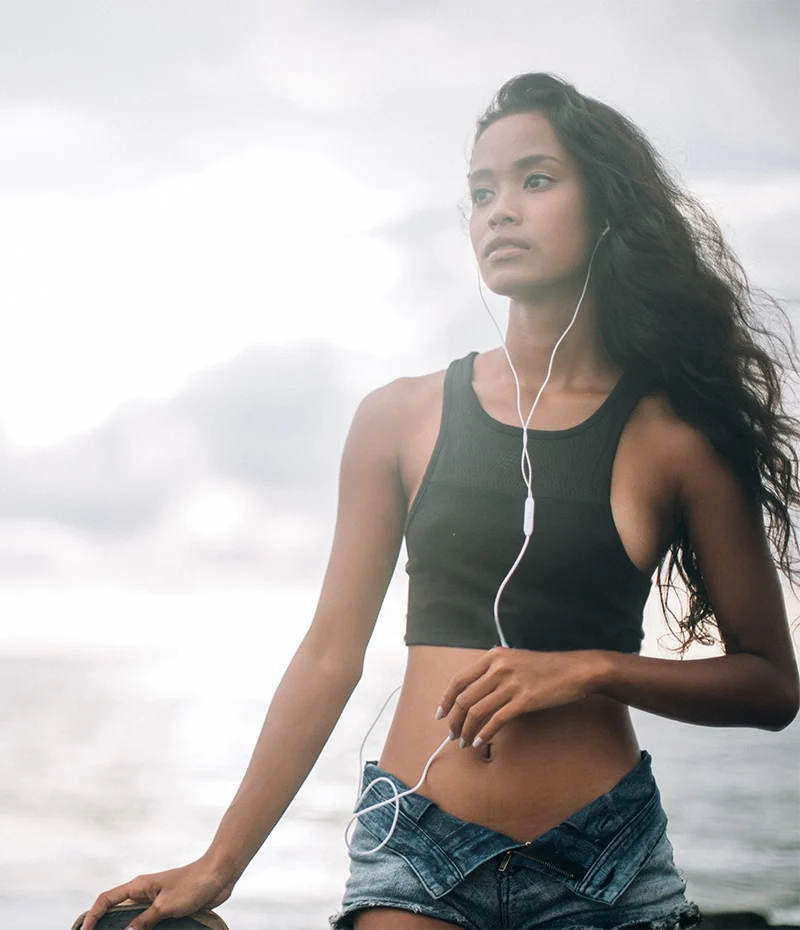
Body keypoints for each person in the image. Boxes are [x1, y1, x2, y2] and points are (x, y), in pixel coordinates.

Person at [81, 73, 800, 930]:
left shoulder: (676, 437)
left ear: (607, 207)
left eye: (536, 180)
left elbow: (769, 684)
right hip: (418, 858)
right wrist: (221, 863)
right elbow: (328, 656)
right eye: (480, 191)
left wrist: (587, 668)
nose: (499, 210)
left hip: (607, 863)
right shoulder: (400, 419)